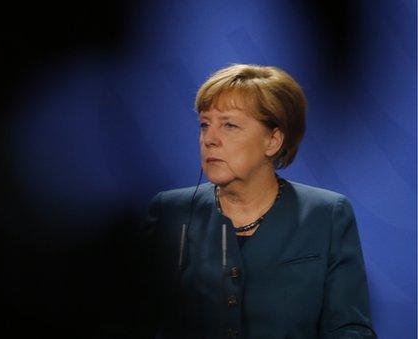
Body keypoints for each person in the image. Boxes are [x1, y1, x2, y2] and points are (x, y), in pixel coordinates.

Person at [141, 64, 375, 338]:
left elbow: (350, 330)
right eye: (205, 125)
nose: (210, 140)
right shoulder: (169, 212)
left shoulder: (326, 215)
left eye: (229, 125)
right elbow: (129, 320)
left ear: (273, 141)